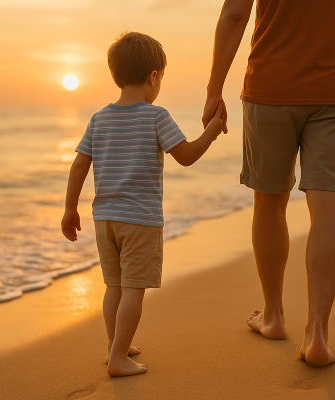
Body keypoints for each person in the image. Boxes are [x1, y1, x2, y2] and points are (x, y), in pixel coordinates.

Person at [202, 0, 335, 367]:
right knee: (329, 205)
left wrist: (213, 88)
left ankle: (272, 315)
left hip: (271, 85)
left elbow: (235, 14)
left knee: (269, 202)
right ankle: (317, 331)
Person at [61, 31, 224, 377]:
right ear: (154, 77)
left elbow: (79, 165)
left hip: (104, 218)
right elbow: (187, 156)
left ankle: (114, 346)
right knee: (134, 289)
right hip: (140, 220)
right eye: (161, 78)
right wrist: (211, 130)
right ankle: (119, 358)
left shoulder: (98, 119)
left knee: (113, 286)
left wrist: (70, 208)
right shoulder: (156, 116)